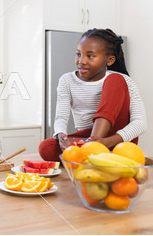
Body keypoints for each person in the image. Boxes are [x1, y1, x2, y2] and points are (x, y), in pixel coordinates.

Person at [39, 28, 147, 161]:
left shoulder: (123, 80)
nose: (81, 61)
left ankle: (92, 151)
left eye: (90, 56)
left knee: (116, 80)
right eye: (78, 54)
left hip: (118, 139)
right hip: (87, 137)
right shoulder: (66, 80)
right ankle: (94, 152)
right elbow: (61, 116)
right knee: (46, 147)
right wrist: (60, 134)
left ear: (110, 60)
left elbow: (141, 123)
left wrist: (107, 141)